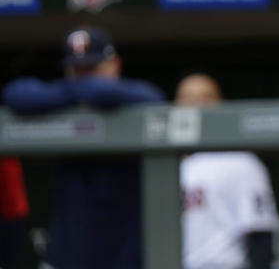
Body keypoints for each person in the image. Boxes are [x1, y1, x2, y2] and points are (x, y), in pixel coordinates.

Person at [1, 25, 164, 269]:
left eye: (92, 68)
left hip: (126, 253)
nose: (84, 77)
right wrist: (80, 92)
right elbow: (16, 93)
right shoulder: (62, 103)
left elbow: (152, 97)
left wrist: (73, 92)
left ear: (115, 65)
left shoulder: (135, 98)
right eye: (77, 70)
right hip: (68, 252)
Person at [176, 73, 278, 269]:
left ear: (221, 104)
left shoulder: (241, 161)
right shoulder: (165, 164)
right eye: (187, 97)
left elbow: (260, 235)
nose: (196, 104)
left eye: (205, 97)